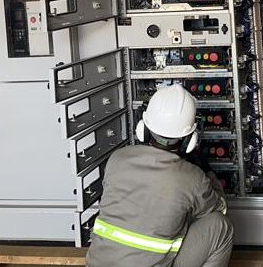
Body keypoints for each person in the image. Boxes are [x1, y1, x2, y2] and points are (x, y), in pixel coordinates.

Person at [87, 84, 234, 267]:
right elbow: (220, 208)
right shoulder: (192, 178)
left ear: (143, 128)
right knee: (220, 225)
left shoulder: (117, 158)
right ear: (190, 139)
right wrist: (209, 175)